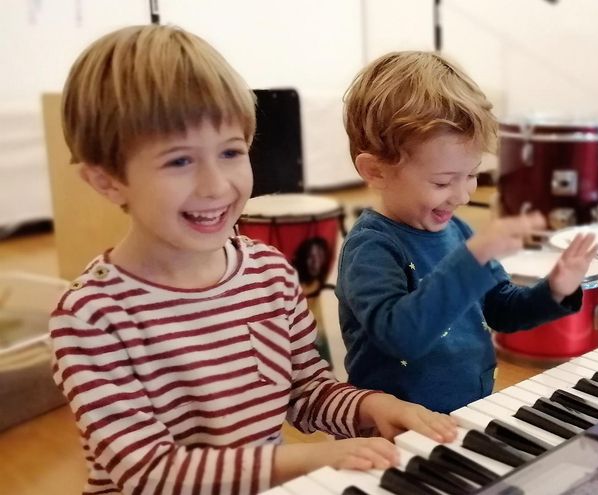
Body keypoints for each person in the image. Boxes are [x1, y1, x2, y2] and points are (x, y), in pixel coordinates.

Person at [48, 26, 456, 495]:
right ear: (106, 180)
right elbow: (148, 472)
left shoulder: (269, 274)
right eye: (179, 161)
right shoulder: (91, 317)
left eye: (230, 152)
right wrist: (309, 460)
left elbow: (308, 391)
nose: (216, 185)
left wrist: (373, 407)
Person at [338, 51, 598, 413]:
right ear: (376, 171)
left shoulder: (456, 231)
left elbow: (501, 309)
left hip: (469, 411)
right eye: (443, 182)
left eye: (472, 175)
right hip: (396, 428)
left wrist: (555, 289)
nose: (462, 196)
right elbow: (401, 336)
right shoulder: (371, 247)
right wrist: (473, 258)